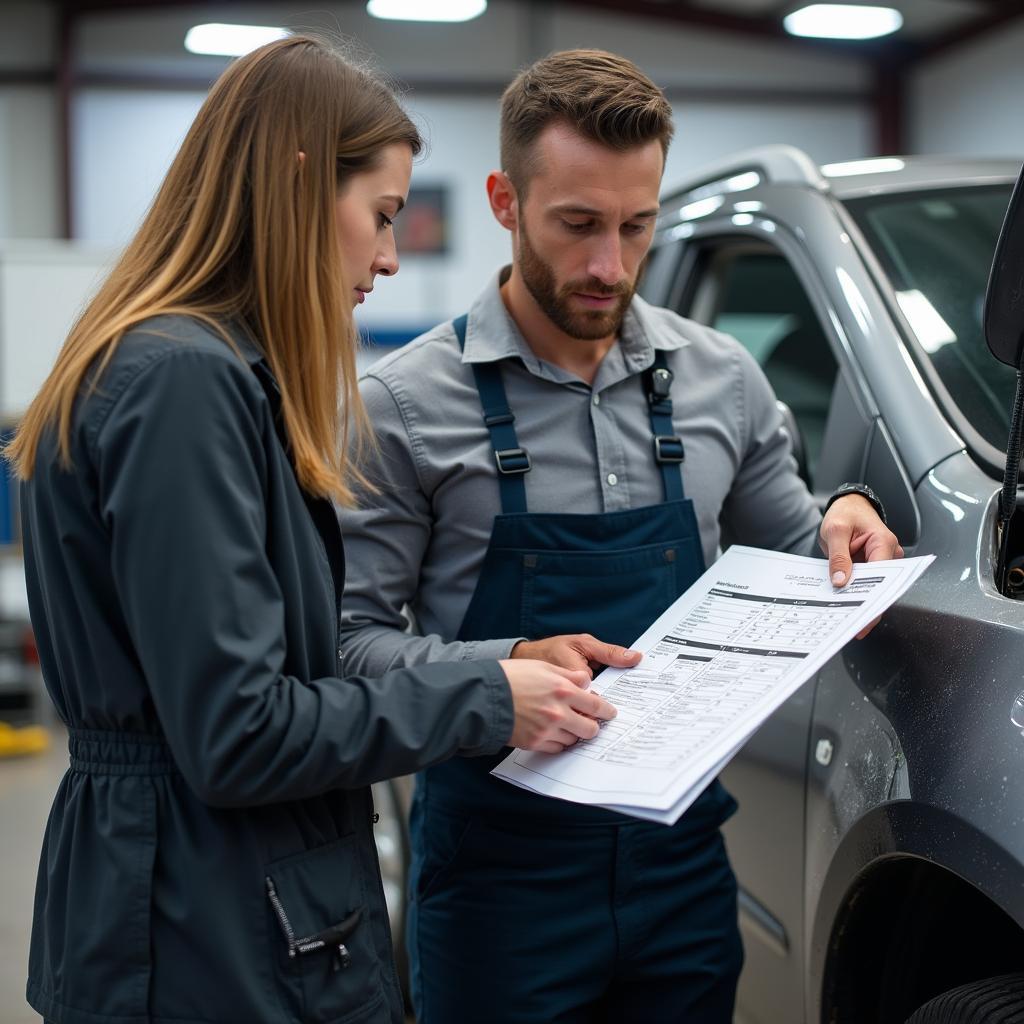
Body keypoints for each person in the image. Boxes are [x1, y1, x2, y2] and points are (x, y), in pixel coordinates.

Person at [7, 36, 619, 1024]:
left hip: (199, 903)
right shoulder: (181, 383)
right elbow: (239, 732)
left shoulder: (201, 371)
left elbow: (284, 668)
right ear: (296, 183)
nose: (387, 254)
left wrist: (501, 660)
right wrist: (483, 702)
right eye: (381, 215)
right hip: (202, 931)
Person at [337, 49, 903, 1024]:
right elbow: (345, 643)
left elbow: (805, 563)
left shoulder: (721, 380)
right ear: (506, 202)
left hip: (680, 869)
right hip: (496, 884)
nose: (609, 265)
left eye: (635, 227)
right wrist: (497, 670)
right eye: (577, 225)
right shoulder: (401, 404)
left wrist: (844, 521)